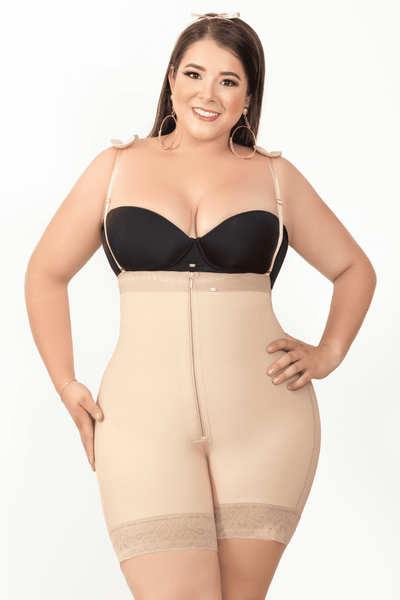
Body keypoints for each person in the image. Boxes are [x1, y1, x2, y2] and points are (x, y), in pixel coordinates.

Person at [24, 11, 376, 600]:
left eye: (228, 80)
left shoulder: (276, 178)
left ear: (248, 98)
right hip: (141, 427)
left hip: (266, 425)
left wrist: (329, 351)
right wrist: (66, 383)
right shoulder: (115, 168)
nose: (207, 94)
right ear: (170, 80)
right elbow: (45, 272)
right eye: (193, 74)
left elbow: (354, 269)